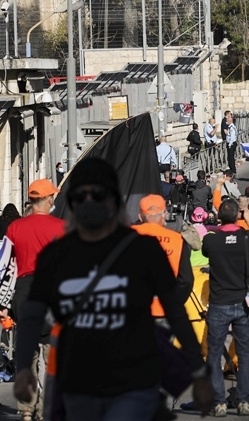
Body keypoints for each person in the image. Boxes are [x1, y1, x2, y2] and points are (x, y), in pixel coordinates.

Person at [13, 158, 212, 420]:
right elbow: (175, 311)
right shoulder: (142, 247)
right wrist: (198, 371)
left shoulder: (55, 253)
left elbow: (32, 316)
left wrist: (24, 367)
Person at [201, 196, 249, 416]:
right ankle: (244, 401)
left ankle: (218, 401)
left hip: (219, 303)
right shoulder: (248, 237)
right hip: (243, 302)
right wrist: (247, 218)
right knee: (244, 353)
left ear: (219, 217)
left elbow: (205, 251)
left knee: (214, 353)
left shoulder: (211, 241)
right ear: (237, 215)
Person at [6, 180, 65, 421]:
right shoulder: (61, 227)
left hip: (23, 291)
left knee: (26, 354)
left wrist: (3, 305)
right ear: (50, 199)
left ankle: (26, 409)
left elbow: (5, 268)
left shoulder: (15, 227)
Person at [132, 195, 193, 317]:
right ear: (164, 214)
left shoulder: (124, 238)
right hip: (164, 310)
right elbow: (186, 281)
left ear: (140, 217)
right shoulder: (177, 240)